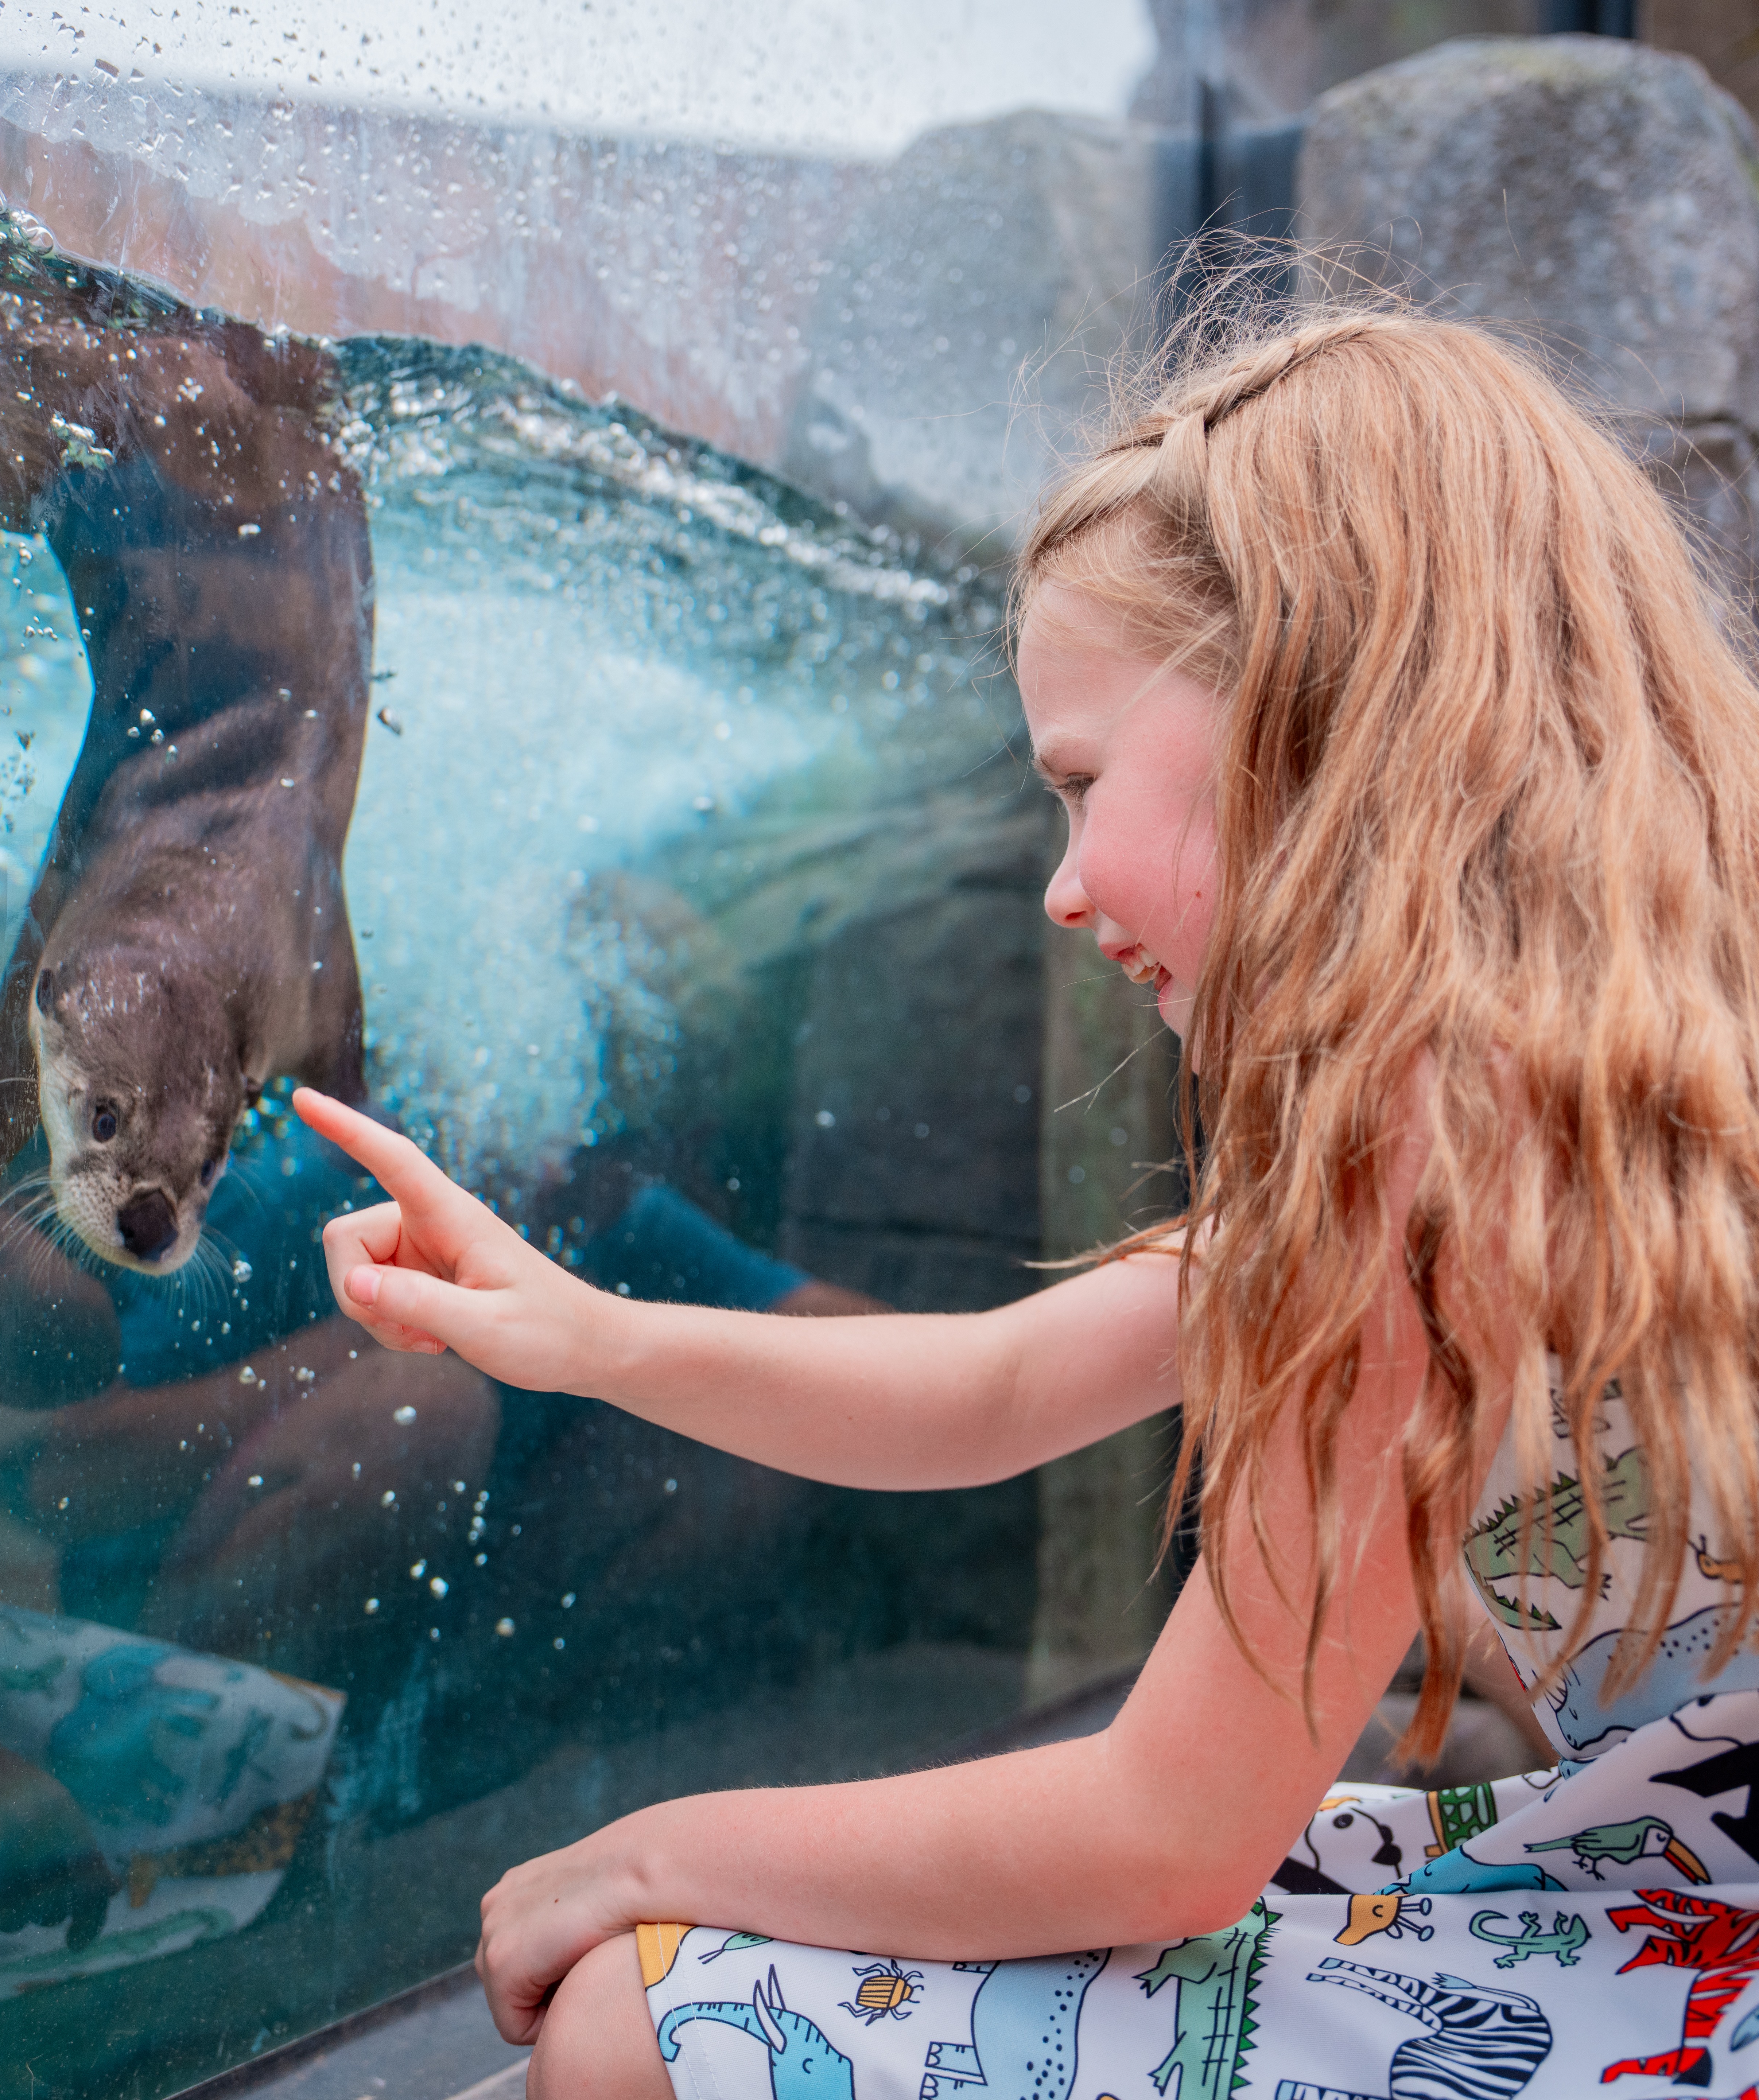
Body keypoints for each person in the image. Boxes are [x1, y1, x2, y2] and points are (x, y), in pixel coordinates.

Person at [288, 299, 1759, 2100]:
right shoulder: (1631, 1081)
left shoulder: (1441, 1160)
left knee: (635, 2025)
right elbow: (993, 1390)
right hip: (1689, 1907)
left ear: (1316, 714)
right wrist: (580, 1334)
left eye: (1079, 784)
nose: (1060, 891)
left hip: (1690, 1966)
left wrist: (641, 1855)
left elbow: (1168, 1836)